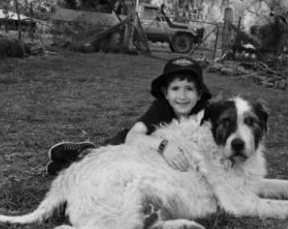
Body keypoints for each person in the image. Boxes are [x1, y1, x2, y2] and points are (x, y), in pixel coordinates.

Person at [46, 57, 212, 175]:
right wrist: (164, 146)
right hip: (136, 147)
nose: (182, 96)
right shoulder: (161, 107)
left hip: (159, 164)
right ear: (165, 93)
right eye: (175, 88)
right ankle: (85, 153)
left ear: (199, 94)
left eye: (189, 89)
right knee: (106, 160)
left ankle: (67, 168)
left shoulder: (208, 115)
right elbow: (133, 137)